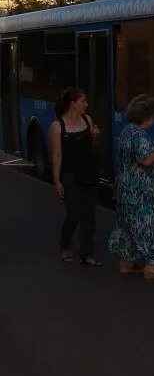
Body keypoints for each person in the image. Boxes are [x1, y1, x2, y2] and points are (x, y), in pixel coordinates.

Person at [108, 95, 154, 280]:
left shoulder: (127, 131)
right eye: (153, 117)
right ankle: (152, 268)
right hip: (139, 191)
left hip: (125, 189)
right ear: (146, 117)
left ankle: (126, 263)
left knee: (127, 226)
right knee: (146, 226)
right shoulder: (138, 135)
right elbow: (147, 160)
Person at [49, 87, 101, 267]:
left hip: (88, 172)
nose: (86, 104)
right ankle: (65, 244)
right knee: (74, 214)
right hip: (70, 175)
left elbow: (90, 148)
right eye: (83, 101)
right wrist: (56, 181)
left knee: (89, 215)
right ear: (73, 104)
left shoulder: (87, 120)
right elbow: (57, 155)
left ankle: (86, 254)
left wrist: (94, 137)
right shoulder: (57, 127)